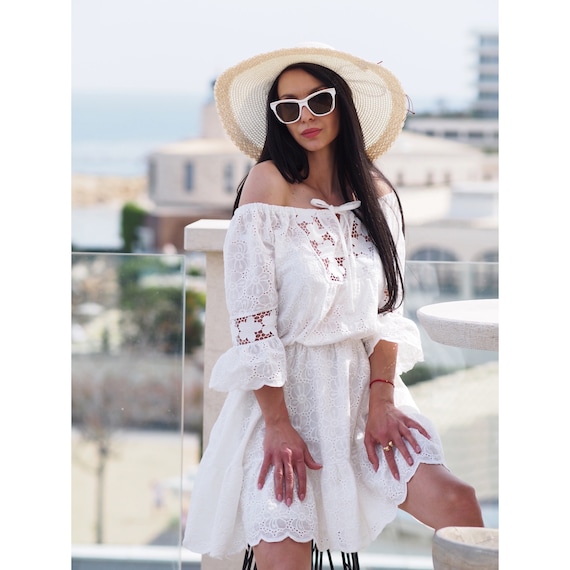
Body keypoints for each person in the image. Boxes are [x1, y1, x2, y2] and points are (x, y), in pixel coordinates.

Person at [183, 43, 484, 569]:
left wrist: (383, 401)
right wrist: (277, 423)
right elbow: (252, 322)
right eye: (289, 107)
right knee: (284, 555)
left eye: (317, 101)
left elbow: (388, 311)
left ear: (340, 103)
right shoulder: (268, 183)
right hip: (283, 398)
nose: (306, 117)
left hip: (367, 393)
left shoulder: (377, 194)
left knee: (460, 504)